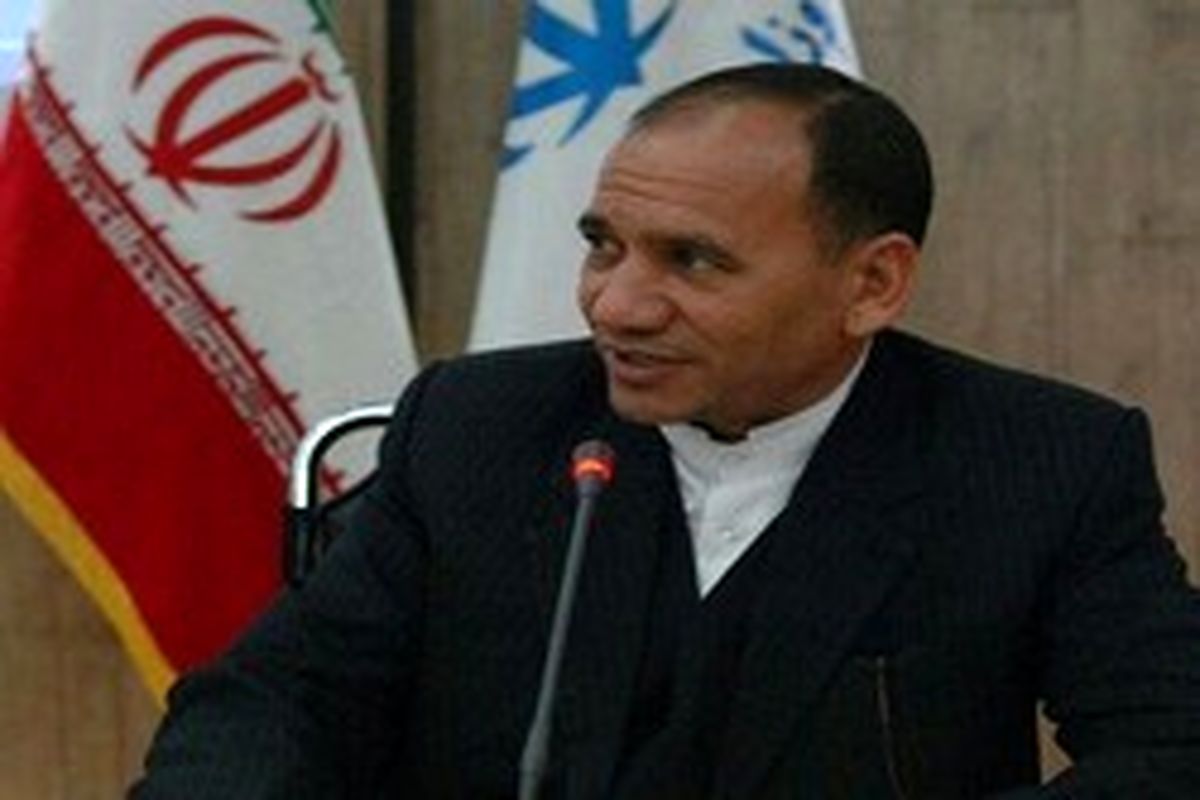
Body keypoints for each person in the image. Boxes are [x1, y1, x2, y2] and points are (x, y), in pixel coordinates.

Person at [131, 63, 1200, 798]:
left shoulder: (1042, 462)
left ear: (872, 282)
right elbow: (277, 699)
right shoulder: (476, 428)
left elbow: (1170, 749)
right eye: (605, 245)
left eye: (693, 261)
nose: (618, 305)